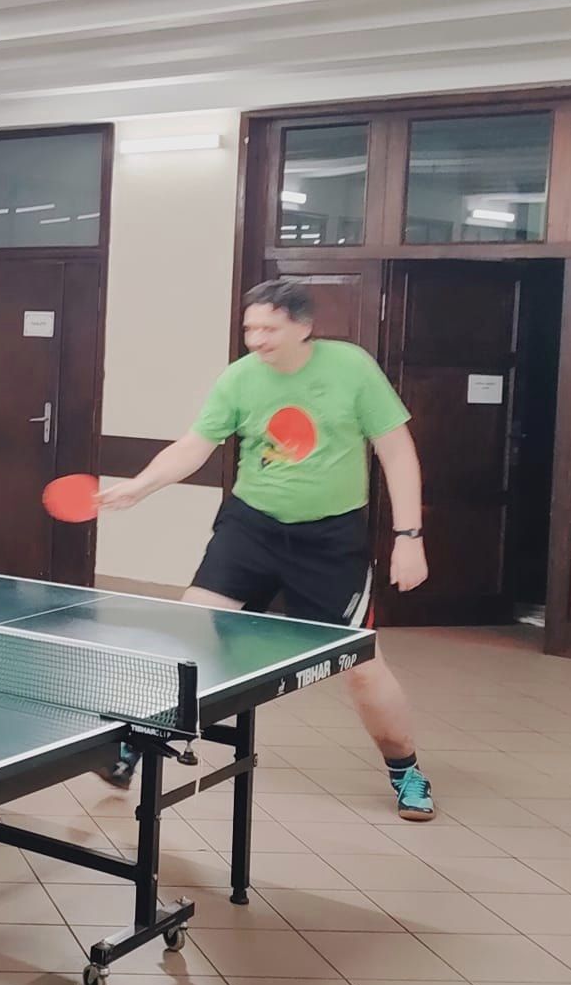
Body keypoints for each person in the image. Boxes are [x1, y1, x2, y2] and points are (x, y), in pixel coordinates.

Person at [97, 279, 436, 821]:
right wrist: (141, 486)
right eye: (249, 328)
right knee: (190, 630)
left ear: (303, 327)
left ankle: (406, 770)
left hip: (330, 538)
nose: (256, 339)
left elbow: (396, 451)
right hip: (251, 526)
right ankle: (135, 744)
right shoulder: (240, 377)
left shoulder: (351, 368)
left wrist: (409, 537)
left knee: (360, 666)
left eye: (268, 328)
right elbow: (195, 445)